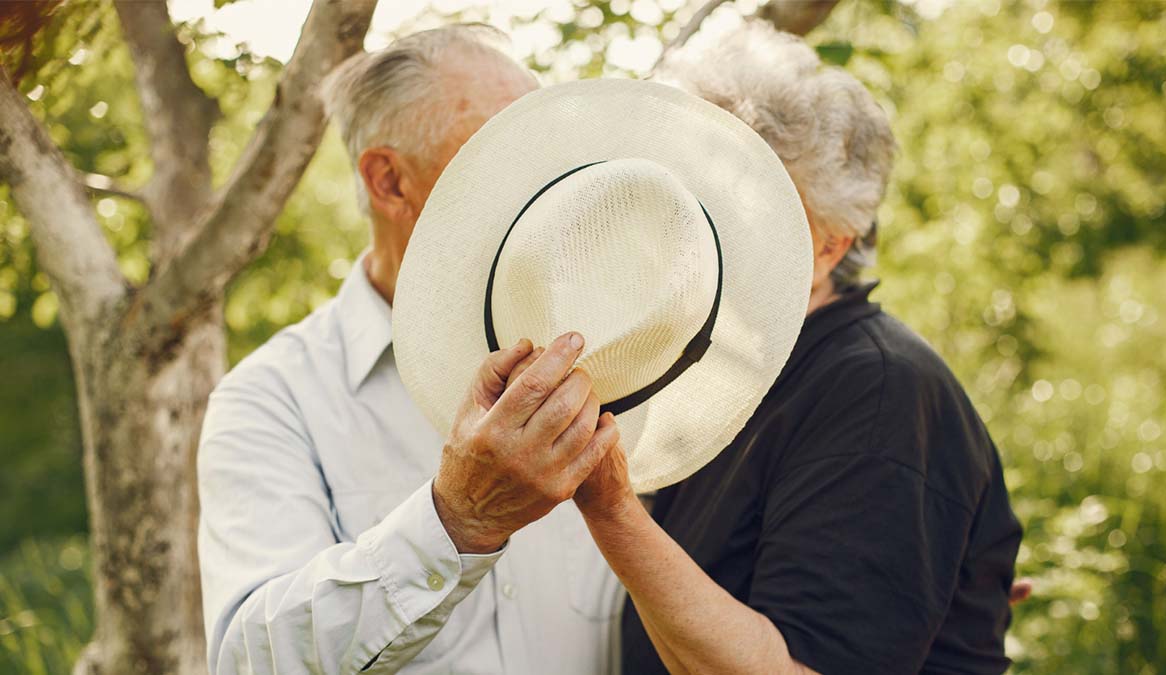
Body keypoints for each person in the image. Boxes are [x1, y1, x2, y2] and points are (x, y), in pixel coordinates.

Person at [559, 21, 1024, 675]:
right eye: (686, 186)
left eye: (736, 203)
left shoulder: (877, 392)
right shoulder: (722, 366)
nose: (690, 221)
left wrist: (611, 509)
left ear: (829, 244)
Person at [196, 26, 625, 674]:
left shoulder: (616, 354)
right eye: (501, 153)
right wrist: (454, 521)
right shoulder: (270, 400)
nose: (543, 184)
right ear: (390, 181)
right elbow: (251, 659)